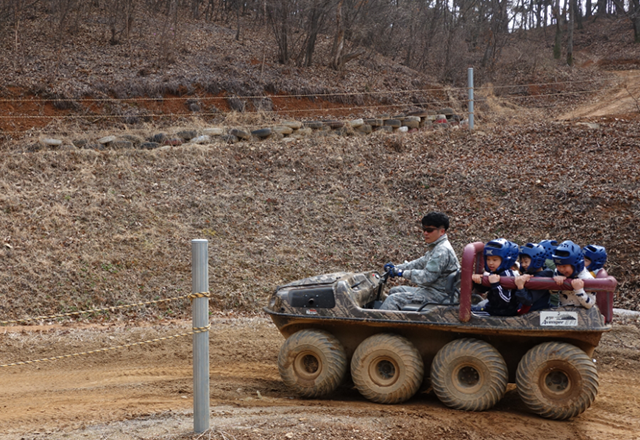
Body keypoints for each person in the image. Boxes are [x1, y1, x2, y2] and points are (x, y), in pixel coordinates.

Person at [380, 212, 460, 310]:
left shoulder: (442, 251)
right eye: (424, 229)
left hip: (441, 296)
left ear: (442, 231)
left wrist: (402, 273)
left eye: (429, 230)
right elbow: (419, 263)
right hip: (434, 291)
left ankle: (378, 325)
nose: (425, 233)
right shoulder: (437, 247)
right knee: (395, 290)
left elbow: (427, 277)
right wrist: (397, 267)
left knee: (393, 300)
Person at [471, 238, 520, 316]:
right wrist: (477, 281)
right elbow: (484, 289)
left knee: (468, 313)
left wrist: (496, 284)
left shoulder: (507, 274)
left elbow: (505, 300)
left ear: (504, 260)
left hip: (502, 314)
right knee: (466, 309)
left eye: (495, 260)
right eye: (488, 259)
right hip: (492, 308)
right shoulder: (495, 271)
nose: (490, 263)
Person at [552, 240, 596, 309]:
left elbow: (590, 305)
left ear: (575, 265)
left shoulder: (587, 278)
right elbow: (553, 292)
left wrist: (579, 290)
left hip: (584, 316)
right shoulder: (557, 272)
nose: (561, 269)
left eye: (564, 266)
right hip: (563, 315)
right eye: (558, 265)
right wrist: (556, 282)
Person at [515, 243, 553, 314]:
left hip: (537, 317)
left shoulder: (544, 277)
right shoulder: (528, 273)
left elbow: (528, 301)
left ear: (536, 261)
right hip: (527, 316)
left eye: (526, 262)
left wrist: (520, 287)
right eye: (522, 262)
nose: (523, 265)